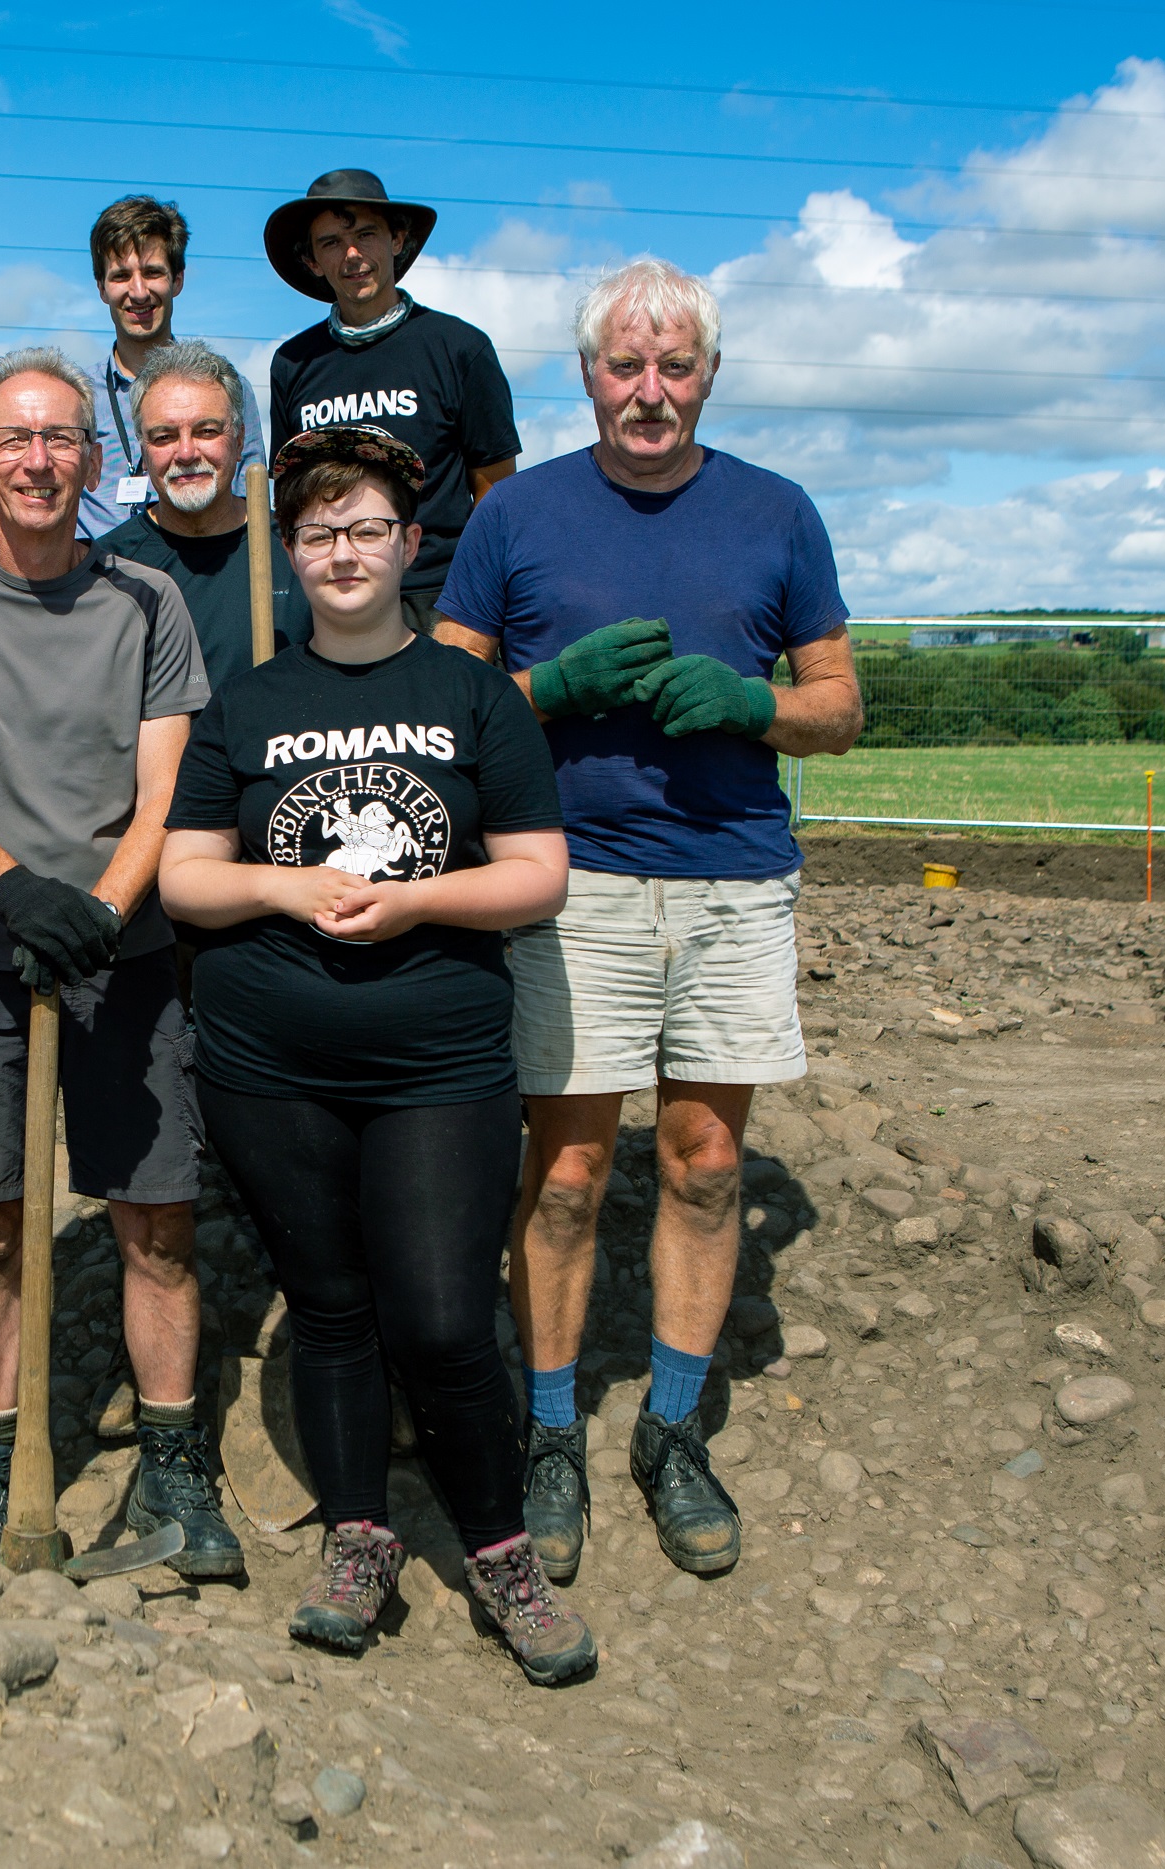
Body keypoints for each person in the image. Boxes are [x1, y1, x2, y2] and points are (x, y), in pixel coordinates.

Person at [434, 257, 866, 1584]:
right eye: (624, 366)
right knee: (562, 1174)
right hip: (573, 880)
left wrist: (749, 709)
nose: (647, 391)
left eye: (673, 366)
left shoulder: (775, 512)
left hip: (733, 875)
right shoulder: (515, 518)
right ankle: (551, 1428)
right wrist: (546, 690)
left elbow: (836, 705)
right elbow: (445, 705)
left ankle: (670, 1428)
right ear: (585, 376)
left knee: (701, 1163)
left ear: (707, 376)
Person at [160, 423, 587, 1685]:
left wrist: (411, 902)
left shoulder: (470, 698)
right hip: (266, 1063)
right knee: (332, 1309)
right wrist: (290, 889)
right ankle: (359, 1539)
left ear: (409, 546)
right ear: (287, 554)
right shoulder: (247, 703)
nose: (341, 553)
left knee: (446, 1319)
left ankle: (500, 1552)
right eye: (316, 533)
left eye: (365, 531)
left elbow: (538, 873)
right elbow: (187, 879)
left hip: (436, 1066)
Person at [0, 346, 242, 1579]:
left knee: (157, 1221)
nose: (37, 459)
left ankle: (176, 1467)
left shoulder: (145, 601)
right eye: (15, 440)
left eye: (62, 439)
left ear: (92, 461)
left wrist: (100, 911)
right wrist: (17, 891)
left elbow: (164, 788)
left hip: (122, 958)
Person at [264, 170, 518, 629]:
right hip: (333, 597)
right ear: (312, 261)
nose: (353, 255)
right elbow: (288, 495)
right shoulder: (292, 362)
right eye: (332, 242)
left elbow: (496, 492)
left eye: (366, 234)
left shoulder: (459, 347)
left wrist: (471, 604)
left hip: (438, 600)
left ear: (398, 239)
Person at [97, 341, 308, 693]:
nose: (185, 452)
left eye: (207, 431)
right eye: (164, 436)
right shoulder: (107, 568)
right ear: (143, 451)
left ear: (240, 440)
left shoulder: (300, 551)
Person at [80, 196, 265, 540]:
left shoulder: (228, 390)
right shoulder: (77, 397)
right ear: (101, 288)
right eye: (121, 276)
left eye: (153, 273)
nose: (138, 293)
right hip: (101, 581)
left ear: (178, 279)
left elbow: (252, 502)